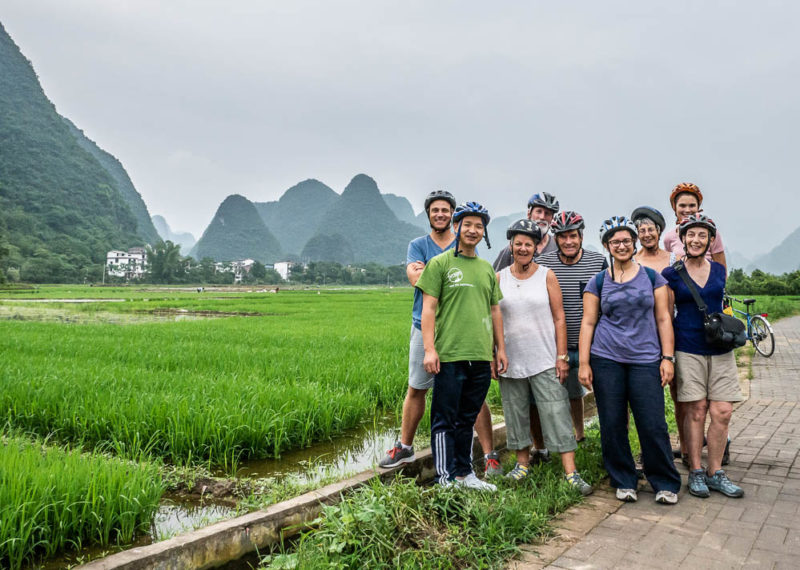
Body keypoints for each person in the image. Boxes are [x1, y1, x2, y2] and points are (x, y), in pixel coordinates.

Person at [380, 191, 501, 475]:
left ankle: (488, 453)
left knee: (474, 395)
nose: (440, 214)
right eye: (435, 210)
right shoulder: (419, 245)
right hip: (425, 328)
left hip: (462, 331)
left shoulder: (469, 247)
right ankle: (406, 447)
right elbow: (416, 279)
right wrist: (443, 276)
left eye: (445, 210)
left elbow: (477, 286)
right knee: (417, 387)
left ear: (453, 216)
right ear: (429, 214)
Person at [578, 216, 681, 505]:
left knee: (652, 423)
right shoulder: (598, 281)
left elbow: (663, 318)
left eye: (626, 240)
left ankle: (664, 481)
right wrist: (584, 363)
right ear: (607, 246)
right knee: (612, 423)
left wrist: (667, 358)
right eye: (615, 242)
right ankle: (624, 478)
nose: (621, 246)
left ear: (633, 242)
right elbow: (588, 323)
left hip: (645, 359)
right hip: (606, 358)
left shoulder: (651, 277)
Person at [495, 219, 592, 495]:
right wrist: (497, 352)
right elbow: (494, 317)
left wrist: (562, 356)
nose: (523, 248)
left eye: (529, 243)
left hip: (545, 359)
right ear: (511, 246)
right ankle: (522, 464)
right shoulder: (500, 277)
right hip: (511, 359)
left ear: (536, 246)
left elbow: (560, 318)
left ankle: (571, 472)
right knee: (515, 412)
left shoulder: (546, 275)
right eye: (518, 243)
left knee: (556, 411)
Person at [416, 201, 507, 491]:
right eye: (467, 224)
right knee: (445, 418)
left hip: (480, 355)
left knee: (467, 416)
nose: (472, 230)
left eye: (478, 226)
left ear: (484, 233)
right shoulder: (440, 264)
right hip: (450, 354)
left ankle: (465, 474)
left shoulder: (485, 269)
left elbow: (494, 311)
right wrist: (430, 349)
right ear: (456, 227)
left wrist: (499, 350)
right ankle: (445, 479)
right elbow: (428, 309)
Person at [662, 214, 744, 499]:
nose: (696, 240)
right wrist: (667, 356)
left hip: (720, 350)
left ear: (711, 240)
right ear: (682, 239)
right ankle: (696, 471)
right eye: (691, 235)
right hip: (688, 348)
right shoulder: (671, 274)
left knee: (723, 411)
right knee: (695, 411)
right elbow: (665, 316)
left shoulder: (719, 271)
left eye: (702, 235)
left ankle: (715, 471)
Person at [538, 211, 607, 444]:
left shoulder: (597, 262)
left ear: (581, 236)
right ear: (556, 239)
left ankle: (615, 440)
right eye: (563, 237)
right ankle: (576, 437)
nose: (568, 242)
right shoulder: (543, 265)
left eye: (573, 236)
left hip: (595, 344)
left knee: (609, 395)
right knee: (569, 394)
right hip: (559, 345)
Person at [662, 183, 727, 270]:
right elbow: (669, 266)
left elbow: (722, 270)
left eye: (692, 205)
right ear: (675, 208)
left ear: (698, 208)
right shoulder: (669, 237)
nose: (687, 210)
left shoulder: (711, 234)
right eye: (682, 206)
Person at [492, 192, 560, 271]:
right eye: (538, 211)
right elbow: (495, 280)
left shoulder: (558, 247)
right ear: (529, 214)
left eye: (547, 213)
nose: (542, 217)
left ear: (552, 218)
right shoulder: (513, 250)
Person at [632, 206, 674, 273]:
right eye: (642, 231)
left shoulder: (674, 259)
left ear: (658, 231)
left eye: (651, 230)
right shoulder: (631, 262)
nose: (647, 235)